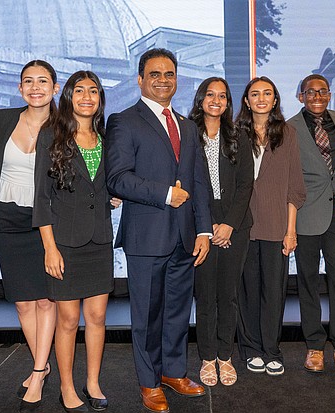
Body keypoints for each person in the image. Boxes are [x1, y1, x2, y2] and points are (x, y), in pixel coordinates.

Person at [105, 48, 212, 413]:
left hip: (185, 237)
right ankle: (149, 382)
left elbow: (199, 182)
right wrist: (166, 194)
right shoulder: (123, 121)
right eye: (155, 74)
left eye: (169, 74)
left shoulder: (188, 125)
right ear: (140, 79)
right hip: (146, 237)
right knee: (147, 317)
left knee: (178, 312)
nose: (163, 80)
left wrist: (204, 231)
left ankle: (173, 372)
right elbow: (117, 179)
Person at [33, 71, 119, 413]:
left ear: (100, 98)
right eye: (79, 90)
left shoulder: (107, 137)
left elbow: (108, 182)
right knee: (67, 320)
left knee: (97, 317)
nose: (87, 96)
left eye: (94, 91)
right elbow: (42, 198)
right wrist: (49, 247)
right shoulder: (51, 136)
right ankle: (67, 387)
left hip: (100, 239)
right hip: (65, 243)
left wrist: (115, 195)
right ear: (67, 96)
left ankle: (93, 382)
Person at [0, 60, 59, 411]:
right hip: (5, 218)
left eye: (43, 81)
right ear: (19, 88)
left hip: (46, 222)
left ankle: (36, 370)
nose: (36, 87)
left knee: (46, 300)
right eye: (28, 81)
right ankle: (43, 364)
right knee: (21, 301)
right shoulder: (1, 120)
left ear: (55, 87)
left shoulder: (65, 126)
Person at [287, 74, 335, 374]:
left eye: (322, 91)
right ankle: (314, 347)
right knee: (308, 283)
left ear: (329, 94)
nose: (317, 96)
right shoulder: (289, 127)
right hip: (305, 215)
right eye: (310, 92)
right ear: (300, 95)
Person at [235, 76, 306, 376]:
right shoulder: (234, 133)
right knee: (247, 291)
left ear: (275, 99)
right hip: (242, 225)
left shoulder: (287, 133)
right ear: (247, 100)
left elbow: (295, 186)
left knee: (273, 291)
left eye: (267, 93)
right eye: (255, 94)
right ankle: (251, 349)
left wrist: (291, 230)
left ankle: (271, 349)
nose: (261, 99)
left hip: (277, 224)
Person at [188, 77, 254, 387]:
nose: (216, 100)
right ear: (201, 99)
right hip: (199, 225)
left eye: (223, 96)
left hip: (235, 225)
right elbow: (187, 182)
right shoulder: (187, 133)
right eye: (210, 95)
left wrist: (228, 224)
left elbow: (245, 185)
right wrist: (207, 223)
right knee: (205, 296)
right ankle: (207, 357)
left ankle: (225, 356)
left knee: (228, 296)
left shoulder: (239, 135)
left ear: (228, 103)